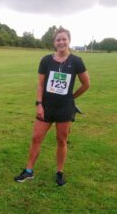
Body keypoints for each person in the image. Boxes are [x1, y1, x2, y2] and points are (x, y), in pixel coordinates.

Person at [14, 27, 90, 186]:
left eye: (64, 39)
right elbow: (40, 84)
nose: (61, 42)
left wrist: (71, 98)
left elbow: (86, 84)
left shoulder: (76, 61)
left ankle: (60, 172)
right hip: (46, 106)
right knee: (36, 138)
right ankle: (28, 171)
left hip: (64, 108)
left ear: (69, 41)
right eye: (58, 39)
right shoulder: (46, 60)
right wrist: (39, 104)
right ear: (54, 43)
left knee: (62, 140)